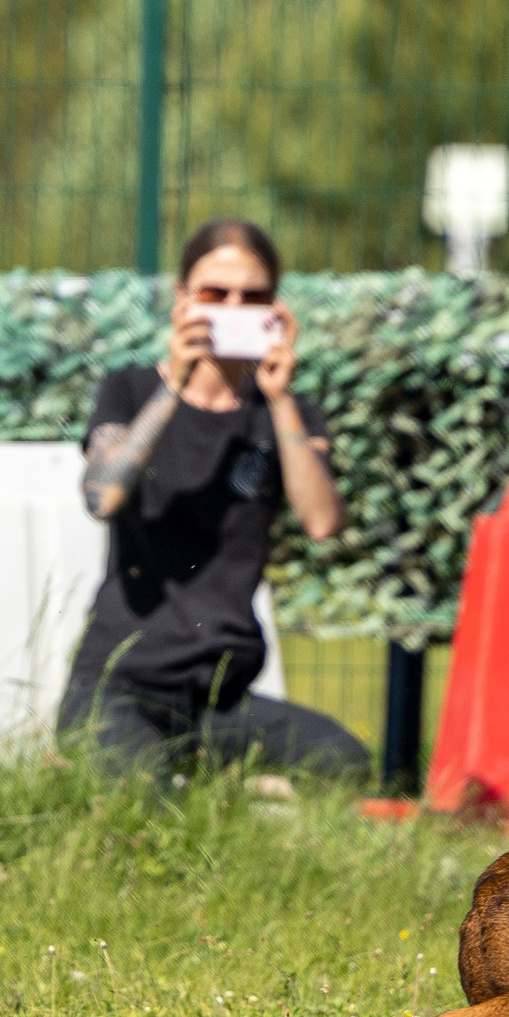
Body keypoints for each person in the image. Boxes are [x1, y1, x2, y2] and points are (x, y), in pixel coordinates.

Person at [60, 219, 371, 785]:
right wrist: (175, 386)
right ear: (182, 298)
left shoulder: (286, 413)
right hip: (120, 685)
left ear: (274, 309)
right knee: (140, 803)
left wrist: (279, 403)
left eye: (251, 297)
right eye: (214, 294)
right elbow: (102, 496)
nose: (232, 307)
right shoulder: (131, 390)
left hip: (218, 698)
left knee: (345, 763)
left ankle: (211, 778)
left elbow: (323, 521)